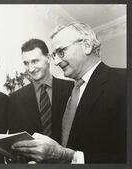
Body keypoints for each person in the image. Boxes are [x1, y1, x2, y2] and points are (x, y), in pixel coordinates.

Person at [11, 22, 126, 163]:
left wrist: (70, 156)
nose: (57, 61)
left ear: (87, 45)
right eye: (54, 55)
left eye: (61, 52)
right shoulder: (75, 90)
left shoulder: (124, 82)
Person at [8, 39, 73, 138]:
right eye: (26, 63)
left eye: (35, 61)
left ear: (48, 58)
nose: (30, 68)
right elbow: (16, 140)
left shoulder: (71, 89)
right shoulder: (16, 98)